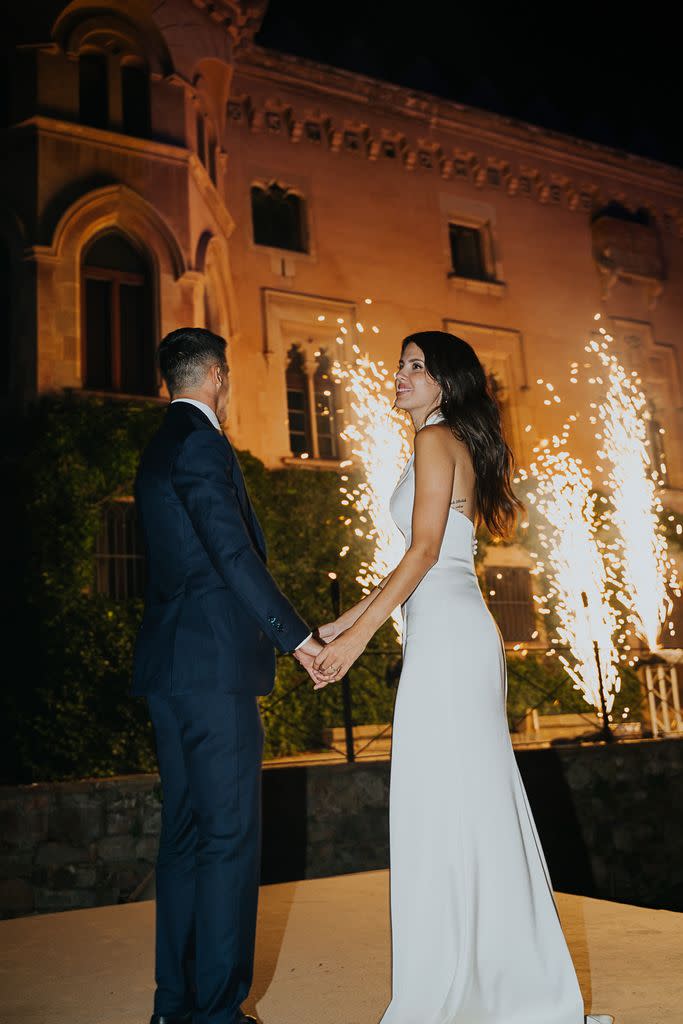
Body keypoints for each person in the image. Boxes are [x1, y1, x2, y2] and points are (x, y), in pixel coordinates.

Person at [313, 331, 613, 1024]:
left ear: (445, 382)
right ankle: (492, 974)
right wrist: (336, 627)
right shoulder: (440, 441)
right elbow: (428, 559)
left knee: (448, 803)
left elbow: (422, 553)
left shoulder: (434, 439)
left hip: (447, 635)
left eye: (414, 366)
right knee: (459, 804)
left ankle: (477, 980)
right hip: (446, 625)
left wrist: (355, 640)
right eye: (399, 364)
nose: (398, 374)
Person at [132, 327, 322, 1024]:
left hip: (168, 670)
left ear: (169, 379)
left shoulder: (158, 446)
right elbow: (233, 556)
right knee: (228, 840)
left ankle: (173, 1006)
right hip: (212, 674)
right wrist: (298, 639)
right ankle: (215, 1013)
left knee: (183, 839)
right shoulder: (203, 444)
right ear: (217, 375)